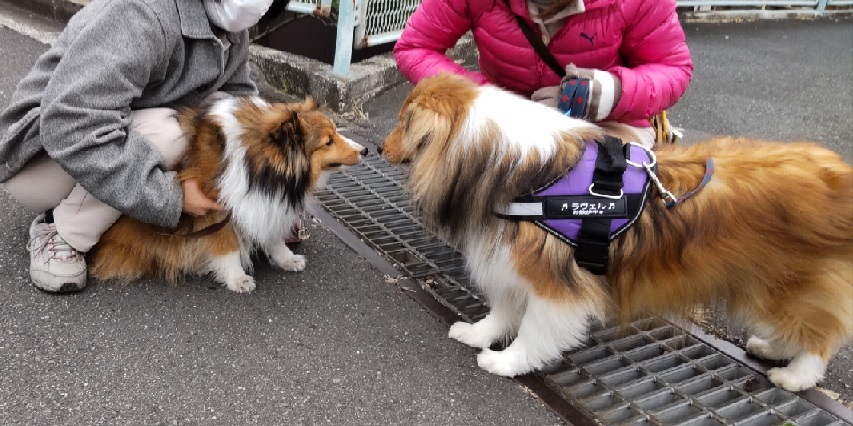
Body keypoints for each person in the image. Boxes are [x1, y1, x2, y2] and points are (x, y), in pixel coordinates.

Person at [0, 0, 286, 293]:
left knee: (207, 118)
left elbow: (237, 101)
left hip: (109, 130)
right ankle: (63, 231)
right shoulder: (143, 14)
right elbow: (71, 122)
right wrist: (171, 197)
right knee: (174, 132)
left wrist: (274, 198)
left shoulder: (231, 29)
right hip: (38, 157)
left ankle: (111, 209)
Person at [394, 0, 693, 147]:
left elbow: (673, 67)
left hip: (605, 123)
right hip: (504, 123)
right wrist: (489, 101)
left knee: (591, 185)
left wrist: (610, 92)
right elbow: (415, 47)